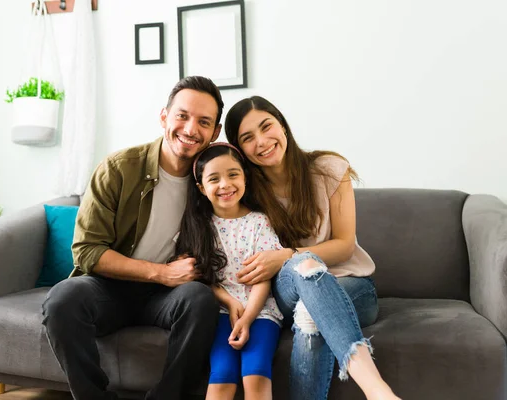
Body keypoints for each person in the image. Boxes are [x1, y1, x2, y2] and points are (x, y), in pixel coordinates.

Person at [41, 76, 225, 400]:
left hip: (165, 298)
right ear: (164, 116)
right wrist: (160, 272)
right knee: (62, 299)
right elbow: (86, 250)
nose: (191, 128)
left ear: (215, 132)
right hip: (108, 287)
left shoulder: (214, 181)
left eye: (204, 122)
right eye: (182, 115)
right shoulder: (119, 167)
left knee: (199, 300)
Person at [224, 96, 401, 400]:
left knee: (309, 311)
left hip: (351, 284)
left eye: (267, 127)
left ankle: (376, 390)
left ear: (282, 124)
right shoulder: (245, 190)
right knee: (304, 269)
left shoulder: (329, 169)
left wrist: (288, 255)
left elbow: (345, 246)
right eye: (248, 138)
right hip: (287, 288)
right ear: (240, 150)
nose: (262, 141)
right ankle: (378, 391)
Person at [172, 142, 288, 400]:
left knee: (256, 373)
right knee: (222, 376)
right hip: (219, 312)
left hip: (261, 312)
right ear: (202, 188)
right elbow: (197, 278)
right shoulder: (197, 228)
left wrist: (247, 318)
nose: (225, 184)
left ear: (245, 177)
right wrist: (228, 300)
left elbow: (263, 278)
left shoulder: (259, 221)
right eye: (214, 179)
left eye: (233, 174)